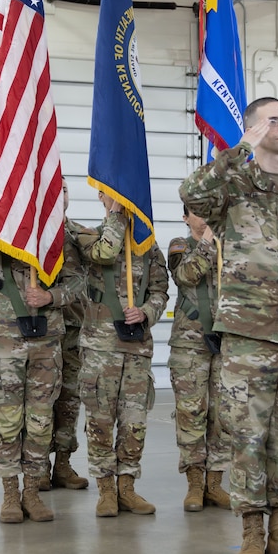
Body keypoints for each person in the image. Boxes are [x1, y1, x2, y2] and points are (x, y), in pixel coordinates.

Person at [180, 97, 278, 554]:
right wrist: (235, 151)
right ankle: (250, 532)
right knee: (247, 434)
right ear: (252, 129)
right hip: (250, 332)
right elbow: (192, 193)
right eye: (274, 119)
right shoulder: (234, 187)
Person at [0, 213, 84, 523]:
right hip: (5, 334)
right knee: (8, 417)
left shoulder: (59, 232)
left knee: (40, 417)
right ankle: (10, 493)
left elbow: (78, 280)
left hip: (46, 335)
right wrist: (20, 215)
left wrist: (52, 295)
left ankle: (32, 491)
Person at [68, 191, 168, 517]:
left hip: (137, 348)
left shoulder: (148, 247)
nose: (123, 203)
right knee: (100, 421)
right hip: (100, 348)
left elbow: (160, 290)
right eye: (114, 197)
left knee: (134, 422)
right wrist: (117, 215)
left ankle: (128, 487)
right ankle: (106, 490)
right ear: (100, 195)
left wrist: (147, 312)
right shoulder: (87, 237)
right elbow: (105, 254)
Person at [167, 205, 231, 512]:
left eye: (208, 212)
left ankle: (215, 484)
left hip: (227, 343)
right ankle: (194, 484)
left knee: (222, 416)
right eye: (196, 213)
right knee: (191, 414)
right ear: (185, 218)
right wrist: (207, 239)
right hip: (190, 344)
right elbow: (186, 276)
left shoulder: (230, 248)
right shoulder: (180, 245)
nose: (203, 218)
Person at [40, 177, 89, 491]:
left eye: (65, 190)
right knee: (41, 401)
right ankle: (38, 466)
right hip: (40, 333)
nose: (61, 195)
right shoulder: (29, 236)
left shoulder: (80, 234)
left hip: (73, 330)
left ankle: (63, 464)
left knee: (70, 400)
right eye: (55, 189)